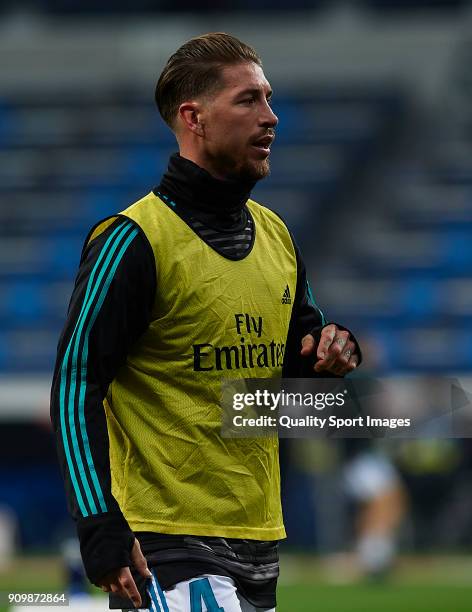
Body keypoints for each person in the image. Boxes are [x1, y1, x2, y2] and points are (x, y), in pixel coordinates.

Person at [50, 32, 361, 612]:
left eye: (269, 99)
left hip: (258, 533)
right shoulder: (132, 240)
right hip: (164, 538)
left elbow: (297, 362)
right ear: (193, 117)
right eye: (248, 101)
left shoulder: (277, 235)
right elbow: (75, 386)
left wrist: (331, 354)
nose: (271, 117)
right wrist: (100, 528)